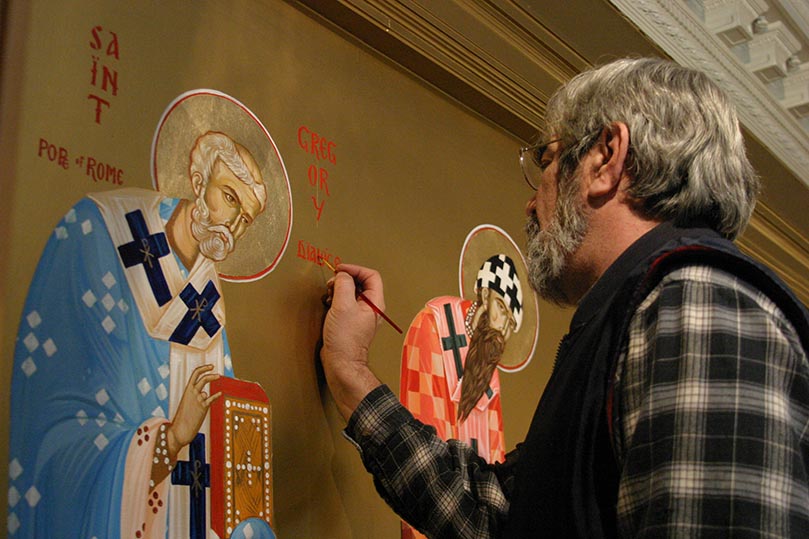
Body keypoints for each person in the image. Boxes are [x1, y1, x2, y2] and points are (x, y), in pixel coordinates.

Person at [319, 57, 809, 537]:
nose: (531, 202)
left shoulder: (700, 303)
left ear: (605, 159)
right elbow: (499, 516)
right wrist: (350, 372)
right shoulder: (644, 313)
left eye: (548, 161)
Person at [8, 131, 268, 538]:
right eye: (230, 198)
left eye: (246, 219)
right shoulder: (98, 232)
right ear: (198, 182)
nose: (232, 225)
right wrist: (169, 440)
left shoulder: (208, 300)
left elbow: (224, 464)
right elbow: (58, 435)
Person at [399, 254, 522, 538]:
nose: (503, 326)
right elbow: (424, 445)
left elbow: (494, 456)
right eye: (501, 309)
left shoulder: (487, 351)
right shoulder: (433, 325)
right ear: (484, 294)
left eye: (509, 322)